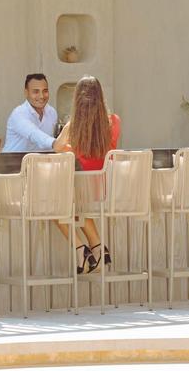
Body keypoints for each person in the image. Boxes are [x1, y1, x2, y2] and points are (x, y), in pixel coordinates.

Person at [54, 75, 120, 274]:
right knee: (76, 206)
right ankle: (99, 249)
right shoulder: (114, 121)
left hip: (84, 190)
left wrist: (71, 148)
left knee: (56, 207)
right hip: (106, 188)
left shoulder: (74, 126)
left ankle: (80, 248)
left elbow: (57, 147)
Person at [2, 73, 58, 152]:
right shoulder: (18, 114)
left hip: (40, 162)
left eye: (45, 91)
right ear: (26, 93)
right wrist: (56, 143)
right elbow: (34, 134)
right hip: (13, 162)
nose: (41, 96)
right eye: (36, 92)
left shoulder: (52, 112)